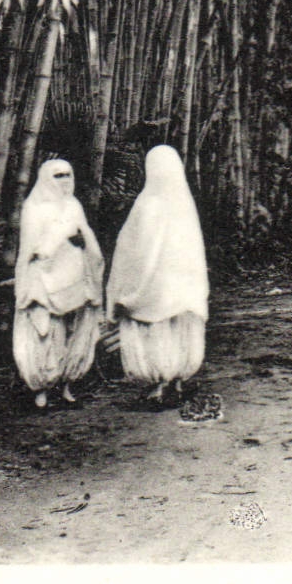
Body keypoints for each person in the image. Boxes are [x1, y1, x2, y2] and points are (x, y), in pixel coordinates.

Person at [106, 145, 208, 405]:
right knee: (178, 329)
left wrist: (127, 289)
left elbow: (133, 250)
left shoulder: (148, 203)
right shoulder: (185, 205)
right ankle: (177, 380)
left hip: (153, 288)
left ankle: (159, 384)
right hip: (182, 288)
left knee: (156, 329)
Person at [14, 159, 105, 408]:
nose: (64, 180)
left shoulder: (74, 205)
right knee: (44, 330)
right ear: (45, 178)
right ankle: (41, 391)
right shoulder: (33, 207)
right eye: (58, 176)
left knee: (74, 330)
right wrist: (54, 243)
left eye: (68, 174)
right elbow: (31, 247)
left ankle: (67, 387)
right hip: (43, 277)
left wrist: (80, 240)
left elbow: (85, 237)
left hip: (73, 275)